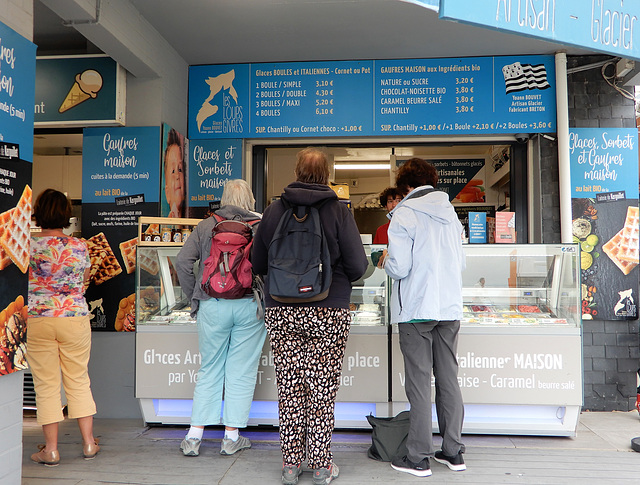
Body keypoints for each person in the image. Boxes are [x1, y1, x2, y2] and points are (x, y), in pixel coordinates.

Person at [252, 148, 368, 485]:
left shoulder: (273, 211)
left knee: (289, 387)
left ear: (298, 171)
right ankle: (320, 465)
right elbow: (359, 266)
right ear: (327, 173)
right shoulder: (339, 211)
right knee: (322, 388)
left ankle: (290, 465)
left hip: (282, 311)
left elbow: (258, 263)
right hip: (327, 311)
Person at [384, 158, 467, 477]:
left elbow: (400, 267)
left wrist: (385, 262)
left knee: (419, 383)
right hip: (449, 308)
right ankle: (453, 451)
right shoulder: (451, 214)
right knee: (448, 378)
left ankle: (417, 456)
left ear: (406, 186)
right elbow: (460, 264)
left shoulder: (404, 214)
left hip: (417, 309)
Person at [176, 179, 266, 457]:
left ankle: (193, 437)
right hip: (249, 305)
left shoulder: (205, 225)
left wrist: (196, 297)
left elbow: (182, 262)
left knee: (210, 368)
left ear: (223, 198)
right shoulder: (261, 226)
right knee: (241, 370)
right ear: (250, 199)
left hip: (212, 304)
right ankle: (231, 437)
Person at [27, 189, 99, 466]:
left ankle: (52, 450)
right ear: (66, 214)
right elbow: (84, 282)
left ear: (38, 213)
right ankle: (89, 444)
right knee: (78, 379)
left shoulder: (29, 247)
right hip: (74, 316)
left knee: (46, 385)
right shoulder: (79, 247)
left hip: (37, 317)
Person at [163, 128, 186, 218]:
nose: (177, 176)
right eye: (173, 171)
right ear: (167, 193)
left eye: (180, 169)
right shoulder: (156, 228)